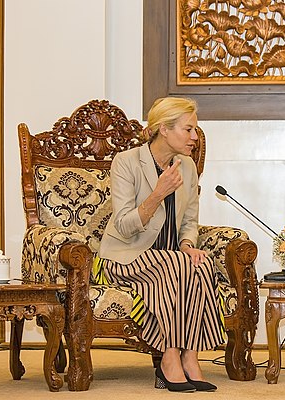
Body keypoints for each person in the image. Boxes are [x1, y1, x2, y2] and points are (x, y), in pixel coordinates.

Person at [98, 97, 221, 392]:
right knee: (177, 265)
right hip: (124, 256)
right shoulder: (126, 162)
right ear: (164, 129)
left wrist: (189, 244)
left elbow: (190, 219)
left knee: (200, 264)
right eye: (188, 129)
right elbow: (124, 225)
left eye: (195, 130)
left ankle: (189, 355)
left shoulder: (187, 166)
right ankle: (168, 357)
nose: (195, 137)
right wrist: (157, 194)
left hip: (169, 258)